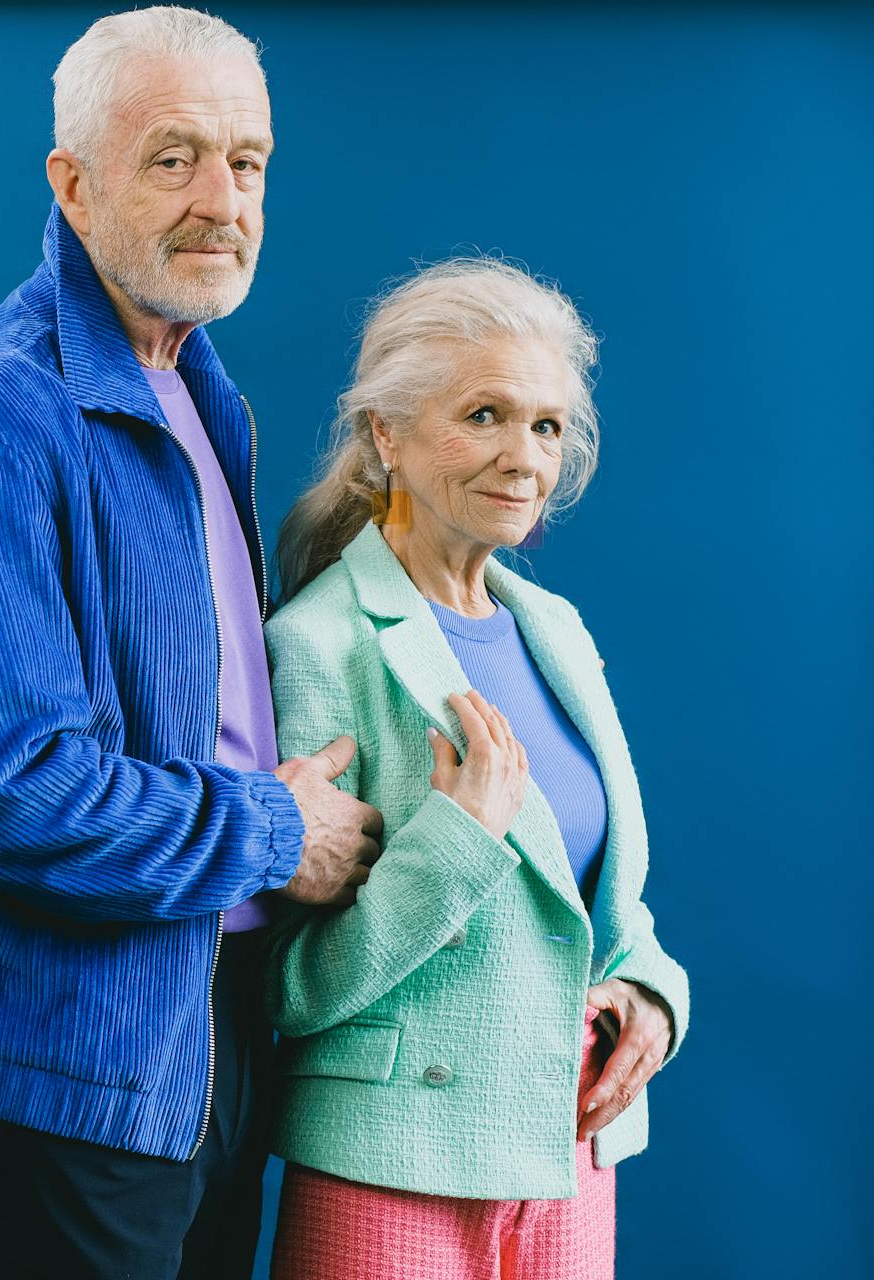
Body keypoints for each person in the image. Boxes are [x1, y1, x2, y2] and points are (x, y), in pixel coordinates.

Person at [0, 8, 383, 1277]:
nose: (223, 200)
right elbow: (8, 789)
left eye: (248, 162)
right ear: (71, 186)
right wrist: (275, 832)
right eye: (175, 156)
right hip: (59, 1078)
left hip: (212, 1039)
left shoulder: (195, 388)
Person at [260, 258, 691, 1279]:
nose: (522, 457)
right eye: (485, 414)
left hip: (570, 1160)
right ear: (386, 434)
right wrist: (452, 844)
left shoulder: (557, 631)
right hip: (390, 1169)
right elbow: (272, 990)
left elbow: (606, 901)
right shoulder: (316, 646)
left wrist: (653, 996)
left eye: (545, 425)